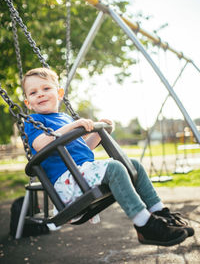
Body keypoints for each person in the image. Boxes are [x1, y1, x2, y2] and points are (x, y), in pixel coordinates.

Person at [23, 67, 194, 247]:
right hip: (67, 183)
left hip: (81, 173)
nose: (40, 94)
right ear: (28, 103)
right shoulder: (34, 121)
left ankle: (161, 214)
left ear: (59, 93)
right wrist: (75, 125)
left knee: (132, 164)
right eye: (33, 92)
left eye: (46, 89)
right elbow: (42, 144)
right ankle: (145, 224)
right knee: (114, 168)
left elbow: (82, 150)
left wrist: (98, 131)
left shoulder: (64, 118)